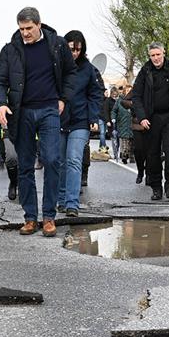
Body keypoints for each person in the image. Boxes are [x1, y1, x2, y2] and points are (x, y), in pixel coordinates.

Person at [0, 7, 81, 238]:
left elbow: (71, 74)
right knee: (25, 165)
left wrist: (63, 98)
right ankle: (30, 217)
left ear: (39, 25)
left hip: (50, 110)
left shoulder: (57, 45)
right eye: (21, 29)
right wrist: (1, 104)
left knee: (51, 160)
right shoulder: (10, 50)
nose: (25, 33)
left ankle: (49, 217)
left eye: (29, 28)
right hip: (22, 113)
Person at [130, 42, 169, 201]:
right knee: (153, 155)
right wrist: (142, 117)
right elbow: (136, 96)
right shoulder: (145, 71)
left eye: (158, 54)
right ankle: (156, 188)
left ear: (163, 53)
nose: (156, 58)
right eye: (152, 55)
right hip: (151, 119)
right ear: (149, 56)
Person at [58, 31, 103, 216]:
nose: (75, 53)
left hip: (80, 121)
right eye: (71, 49)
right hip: (59, 119)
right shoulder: (57, 66)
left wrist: (93, 118)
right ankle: (61, 200)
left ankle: (72, 203)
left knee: (74, 160)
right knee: (60, 162)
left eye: (78, 50)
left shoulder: (88, 69)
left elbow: (95, 94)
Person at [0, 105, 18, 200]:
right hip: (7, 129)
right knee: (11, 157)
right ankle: (13, 182)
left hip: (27, 128)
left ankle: (25, 189)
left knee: (26, 162)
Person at [113, 81, 134, 164]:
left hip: (132, 123)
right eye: (127, 90)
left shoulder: (135, 100)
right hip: (122, 123)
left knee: (132, 141)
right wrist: (113, 118)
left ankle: (132, 156)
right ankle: (124, 155)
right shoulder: (119, 100)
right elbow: (114, 110)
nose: (129, 92)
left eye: (130, 90)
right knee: (124, 140)